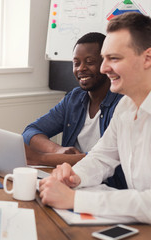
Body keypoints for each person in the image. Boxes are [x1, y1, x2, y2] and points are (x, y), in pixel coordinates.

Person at [39, 12, 151, 224]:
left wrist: (75, 199)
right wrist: (74, 176)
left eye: (114, 58)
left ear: (147, 58)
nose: (103, 68)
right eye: (104, 58)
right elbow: (101, 157)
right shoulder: (125, 106)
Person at [22, 32, 126, 189]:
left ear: (105, 65)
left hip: (107, 187)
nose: (81, 69)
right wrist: (58, 150)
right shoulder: (75, 99)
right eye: (76, 63)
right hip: (73, 179)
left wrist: (40, 157)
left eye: (90, 62)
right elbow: (30, 132)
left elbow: (104, 160)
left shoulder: (122, 104)